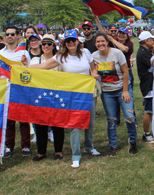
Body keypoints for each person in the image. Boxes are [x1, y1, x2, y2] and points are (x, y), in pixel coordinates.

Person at [25, 31, 100, 166]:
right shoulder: (60, 57)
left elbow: (93, 68)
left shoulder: (86, 53)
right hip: (71, 96)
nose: (71, 43)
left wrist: (94, 74)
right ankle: (76, 155)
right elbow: (44, 66)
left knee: (90, 123)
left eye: (73, 40)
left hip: (87, 92)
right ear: (64, 43)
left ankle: (89, 147)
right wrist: (25, 67)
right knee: (75, 126)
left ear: (78, 41)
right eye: (68, 41)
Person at [93, 32, 137, 156]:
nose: (101, 44)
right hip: (107, 93)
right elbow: (93, 70)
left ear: (107, 42)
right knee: (111, 120)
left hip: (122, 89)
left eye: (103, 41)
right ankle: (112, 146)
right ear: (95, 44)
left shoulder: (117, 53)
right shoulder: (94, 56)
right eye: (98, 42)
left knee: (129, 117)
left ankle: (133, 142)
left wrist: (125, 91)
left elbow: (125, 72)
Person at [0, 26, 32, 158]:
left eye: (12, 34)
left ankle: (26, 145)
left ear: (17, 36)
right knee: (8, 120)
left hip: (21, 88)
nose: (9, 36)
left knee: (23, 119)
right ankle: (9, 146)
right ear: (5, 37)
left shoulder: (24, 52)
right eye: (7, 34)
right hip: (6, 88)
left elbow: (29, 71)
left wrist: (23, 64)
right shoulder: (0, 53)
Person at [136, 31, 154, 143]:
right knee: (148, 110)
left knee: (152, 110)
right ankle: (146, 133)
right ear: (146, 41)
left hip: (151, 84)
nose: (153, 42)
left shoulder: (146, 51)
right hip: (148, 85)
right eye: (151, 40)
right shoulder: (143, 53)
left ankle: (153, 131)